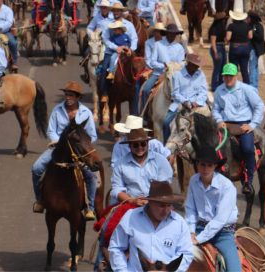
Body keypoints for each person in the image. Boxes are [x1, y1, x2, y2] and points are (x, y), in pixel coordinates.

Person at [32, 81, 98, 220]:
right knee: (37, 168)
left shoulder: (86, 113)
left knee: (91, 175)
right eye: (66, 95)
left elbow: (92, 135)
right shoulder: (57, 110)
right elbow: (51, 130)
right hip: (59, 147)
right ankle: (40, 200)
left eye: (71, 95)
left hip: (78, 149)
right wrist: (58, 142)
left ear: (78, 97)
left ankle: (90, 207)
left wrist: (82, 146)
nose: (68, 98)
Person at [109, 181, 193, 271]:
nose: (165, 211)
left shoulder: (179, 223)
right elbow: (116, 247)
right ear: (150, 203)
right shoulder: (130, 217)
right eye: (161, 206)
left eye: (168, 206)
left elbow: (186, 253)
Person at [184, 146, 240, 272]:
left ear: (215, 166)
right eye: (202, 164)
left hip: (223, 233)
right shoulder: (194, 181)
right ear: (197, 165)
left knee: (234, 269)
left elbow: (220, 219)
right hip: (198, 229)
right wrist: (191, 232)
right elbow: (190, 209)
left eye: (209, 165)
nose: (205, 169)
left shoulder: (226, 186)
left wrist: (198, 239)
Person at [213, 63, 264, 194]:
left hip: (243, 125)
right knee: (213, 147)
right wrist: (219, 120)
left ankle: (248, 180)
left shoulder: (246, 89)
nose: (228, 78)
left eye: (230, 76)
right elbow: (215, 109)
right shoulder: (219, 90)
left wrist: (252, 125)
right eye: (226, 76)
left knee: (247, 149)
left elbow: (259, 106)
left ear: (236, 76)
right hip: (225, 125)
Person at [110, 128, 174, 206]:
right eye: (136, 145)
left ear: (147, 143)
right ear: (129, 146)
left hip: (157, 203)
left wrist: (150, 201)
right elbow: (117, 189)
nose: (140, 147)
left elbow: (165, 186)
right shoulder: (120, 164)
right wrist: (132, 201)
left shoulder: (160, 160)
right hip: (129, 204)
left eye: (143, 144)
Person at [162, 53, 208, 142]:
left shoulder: (200, 74)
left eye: (198, 66)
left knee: (210, 122)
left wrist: (197, 102)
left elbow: (203, 91)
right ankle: (166, 145)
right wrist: (185, 102)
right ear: (189, 64)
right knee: (166, 122)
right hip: (179, 104)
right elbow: (175, 93)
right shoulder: (177, 75)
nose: (197, 68)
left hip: (197, 105)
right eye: (195, 66)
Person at [225, 11, 253, 84]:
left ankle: (233, 83)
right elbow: (250, 36)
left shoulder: (231, 26)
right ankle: (247, 85)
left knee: (233, 69)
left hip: (235, 48)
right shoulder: (247, 25)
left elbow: (228, 38)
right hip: (245, 48)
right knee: (244, 70)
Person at [208, 12, 228, 90]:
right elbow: (213, 42)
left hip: (222, 47)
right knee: (217, 67)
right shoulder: (214, 29)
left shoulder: (222, 28)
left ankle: (220, 83)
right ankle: (214, 85)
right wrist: (215, 52)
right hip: (217, 48)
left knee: (222, 67)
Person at [248, 11, 265, 89]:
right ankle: (255, 85)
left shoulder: (255, 26)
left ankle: (253, 85)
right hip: (255, 50)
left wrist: (252, 33)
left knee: (252, 68)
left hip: (254, 49)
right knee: (255, 68)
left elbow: (260, 37)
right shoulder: (256, 26)